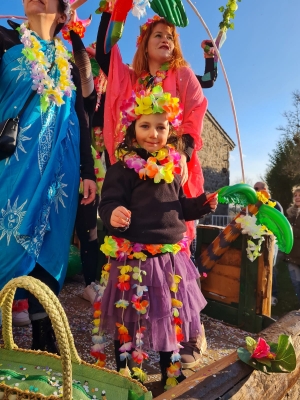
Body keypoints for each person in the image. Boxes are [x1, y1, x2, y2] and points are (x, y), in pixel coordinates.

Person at [95, 10, 208, 369]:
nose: (165, 39)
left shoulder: (184, 75)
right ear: (143, 42)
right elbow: (103, 51)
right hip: (134, 175)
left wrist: (176, 159)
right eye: (157, 34)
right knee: (140, 262)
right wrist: (115, 9)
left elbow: (193, 116)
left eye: (170, 36)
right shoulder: (132, 78)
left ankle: (186, 333)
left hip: (178, 170)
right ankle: (136, 335)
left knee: (177, 251)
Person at [92, 86, 217, 388]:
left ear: (169, 132)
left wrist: (200, 204)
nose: (153, 133)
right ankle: (126, 375)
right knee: (128, 323)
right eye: (145, 125)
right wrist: (113, 214)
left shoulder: (173, 170)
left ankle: (170, 375)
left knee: (168, 324)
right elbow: (107, 202)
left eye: (161, 127)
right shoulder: (121, 170)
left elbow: (180, 208)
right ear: (133, 131)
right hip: (132, 261)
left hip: (169, 263)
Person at [0, 0, 96, 352]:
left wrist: (88, 171)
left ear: (61, 11)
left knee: (47, 253)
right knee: (4, 246)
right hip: (12, 167)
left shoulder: (67, 61)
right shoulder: (5, 40)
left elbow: (83, 119)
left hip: (61, 175)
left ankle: (44, 351)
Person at [253, 181, 283, 306]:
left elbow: (279, 222)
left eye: (256, 188)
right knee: (259, 265)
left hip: (272, 240)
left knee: (271, 266)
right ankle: (259, 292)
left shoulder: (275, 204)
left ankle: (273, 295)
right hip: (258, 239)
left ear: (264, 189)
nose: (255, 191)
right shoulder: (255, 204)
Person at [285, 186, 300, 303]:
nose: (297, 197)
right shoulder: (290, 213)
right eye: (295, 195)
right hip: (292, 255)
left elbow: (289, 230)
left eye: (299, 195)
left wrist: (290, 230)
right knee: (296, 283)